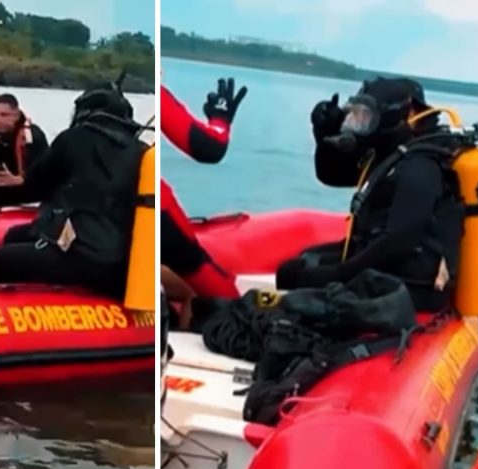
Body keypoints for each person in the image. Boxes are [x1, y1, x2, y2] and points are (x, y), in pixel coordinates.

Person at [277, 77, 462, 313]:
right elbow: (332, 175)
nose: (358, 123)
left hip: (409, 285)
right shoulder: (386, 152)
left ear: (403, 114)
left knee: (295, 278)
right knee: (293, 269)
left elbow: (399, 240)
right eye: (355, 114)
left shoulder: (420, 165)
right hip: (381, 265)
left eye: (366, 116)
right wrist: (323, 135)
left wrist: (339, 273)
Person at [0, 81, 149, 297]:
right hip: (125, 270)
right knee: (17, 235)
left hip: (86, 260)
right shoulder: (142, 153)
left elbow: (32, 189)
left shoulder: (73, 140)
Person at [161, 79, 247, 300]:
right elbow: (209, 147)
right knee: (201, 270)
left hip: (92, 202)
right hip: (151, 205)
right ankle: (237, 323)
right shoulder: (158, 95)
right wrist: (221, 120)